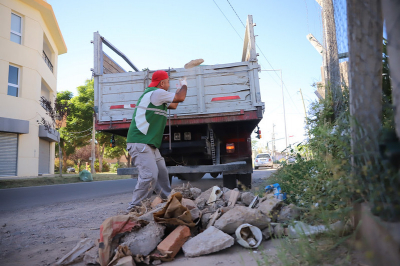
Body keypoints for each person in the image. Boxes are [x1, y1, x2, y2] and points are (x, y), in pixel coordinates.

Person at [126, 70, 187, 211]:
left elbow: (175, 104)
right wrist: (184, 85)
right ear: (162, 83)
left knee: (162, 172)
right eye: (168, 82)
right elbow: (181, 98)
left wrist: (178, 88)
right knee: (149, 176)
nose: (169, 84)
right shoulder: (157, 93)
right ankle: (134, 208)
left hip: (149, 144)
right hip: (140, 142)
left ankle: (168, 200)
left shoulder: (157, 96)